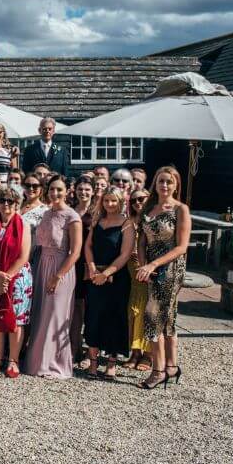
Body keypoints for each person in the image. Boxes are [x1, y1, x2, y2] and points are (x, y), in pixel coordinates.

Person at [135, 166, 190, 390]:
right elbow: (141, 241)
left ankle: (157, 371)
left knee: (153, 317)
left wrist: (154, 264)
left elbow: (182, 247)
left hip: (170, 268)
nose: (164, 185)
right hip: (149, 267)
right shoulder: (149, 207)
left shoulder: (181, 210)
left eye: (169, 181)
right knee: (167, 317)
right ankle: (172, 366)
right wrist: (142, 264)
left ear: (176, 184)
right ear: (155, 183)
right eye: (161, 181)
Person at [24, 174, 82, 379]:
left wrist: (57, 276)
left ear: (67, 191)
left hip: (61, 268)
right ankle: (37, 362)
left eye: (59, 189)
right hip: (41, 265)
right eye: (52, 190)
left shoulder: (72, 216)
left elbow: (75, 252)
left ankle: (55, 364)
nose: (55, 193)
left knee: (56, 316)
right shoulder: (46, 214)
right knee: (41, 314)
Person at [0, 186, 33, 379]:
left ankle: (13, 360)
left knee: (16, 318)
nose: (6, 205)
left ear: (16, 203)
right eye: (2, 201)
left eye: (10, 201)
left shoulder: (24, 224)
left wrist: (7, 277)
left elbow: (24, 255)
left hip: (17, 277)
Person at [82, 187, 134, 380]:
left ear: (120, 202)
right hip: (95, 276)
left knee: (115, 319)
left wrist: (107, 273)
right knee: (93, 317)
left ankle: (111, 363)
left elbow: (125, 254)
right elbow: (88, 246)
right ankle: (94, 362)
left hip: (117, 279)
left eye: (113, 201)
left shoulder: (127, 224)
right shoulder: (97, 221)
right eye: (106, 201)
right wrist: (93, 269)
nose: (110, 204)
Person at [123, 189, 152, 371]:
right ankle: (135, 351)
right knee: (134, 311)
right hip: (131, 270)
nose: (138, 203)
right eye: (134, 200)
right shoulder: (129, 221)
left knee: (148, 311)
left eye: (142, 199)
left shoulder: (154, 219)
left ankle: (148, 354)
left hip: (151, 268)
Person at [71, 175, 96, 366]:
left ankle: (91, 352)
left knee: (91, 309)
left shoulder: (98, 212)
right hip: (74, 264)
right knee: (76, 307)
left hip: (91, 263)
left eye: (87, 189)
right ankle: (74, 348)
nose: (83, 192)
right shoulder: (71, 211)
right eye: (80, 189)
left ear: (93, 191)